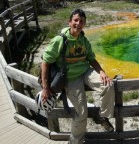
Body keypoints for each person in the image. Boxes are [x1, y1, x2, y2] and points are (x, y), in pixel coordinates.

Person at [40, 8, 115, 144]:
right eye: (75, 20)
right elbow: (45, 63)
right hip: (70, 78)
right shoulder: (60, 40)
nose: (78, 23)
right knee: (81, 114)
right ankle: (75, 142)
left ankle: (102, 116)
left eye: (81, 21)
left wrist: (102, 72)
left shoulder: (83, 40)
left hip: (86, 71)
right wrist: (45, 88)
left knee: (108, 84)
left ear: (84, 24)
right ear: (69, 22)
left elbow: (91, 58)